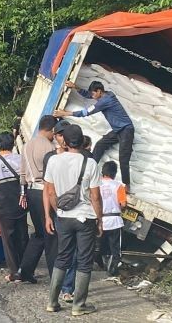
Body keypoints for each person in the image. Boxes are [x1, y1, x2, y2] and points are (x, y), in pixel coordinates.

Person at [43, 125, 103, 316]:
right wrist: (99, 220)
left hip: (63, 217)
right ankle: (78, 305)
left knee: (62, 257)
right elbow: (95, 197)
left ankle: (52, 302)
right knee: (84, 261)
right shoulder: (91, 164)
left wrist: (55, 211)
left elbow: (50, 192)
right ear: (82, 141)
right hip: (85, 218)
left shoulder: (53, 161)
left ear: (65, 142)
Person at [54, 80, 135, 188]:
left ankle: (127, 185)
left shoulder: (106, 101)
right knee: (100, 145)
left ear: (99, 91)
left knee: (123, 159)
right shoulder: (105, 95)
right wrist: (75, 87)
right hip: (117, 130)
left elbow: (86, 112)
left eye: (93, 93)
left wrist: (65, 113)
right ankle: (89, 169)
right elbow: (88, 95)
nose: (92, 96)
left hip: (126, 130)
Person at [17, 115, 58, 282]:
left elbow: (22, 172)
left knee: (40, 233)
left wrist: (22, 192)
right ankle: (56, 276)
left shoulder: (27, 146)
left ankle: (25, 271)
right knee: (51, 235)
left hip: (31, 191)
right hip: (44, 192)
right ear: (51, 130)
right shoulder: (49, 148)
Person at [0, 132, 28, 283]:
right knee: (22, 235)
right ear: (12, 145)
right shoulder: (21, 158)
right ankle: (26, 269)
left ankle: (14, 272)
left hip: (3, 202)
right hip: (20, 200)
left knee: (8, 238)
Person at [99, 161, 126, 277]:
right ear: (114, 173)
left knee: (102, 244)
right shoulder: (118, 186)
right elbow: (123, 204)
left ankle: (104, 263)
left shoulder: (97, 184)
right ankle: (113, 267)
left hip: (101, 221)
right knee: (115, 246)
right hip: (114, 221)